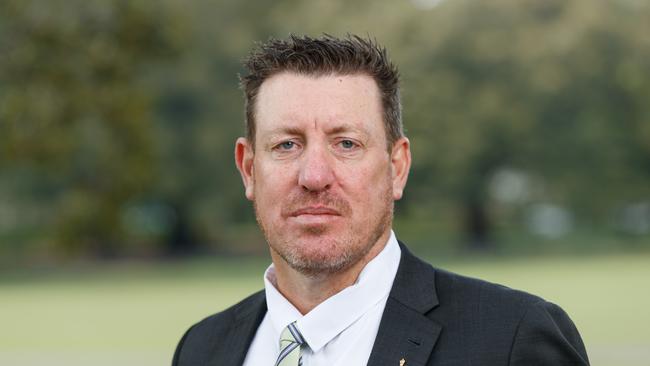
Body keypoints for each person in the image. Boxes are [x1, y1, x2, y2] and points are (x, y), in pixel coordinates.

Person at [172, 34, 589, 366]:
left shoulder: (511, 340)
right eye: (286, 145)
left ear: (397, 167)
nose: (314, 177)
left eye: (347, 143)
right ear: (248, 169)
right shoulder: (202, 349)